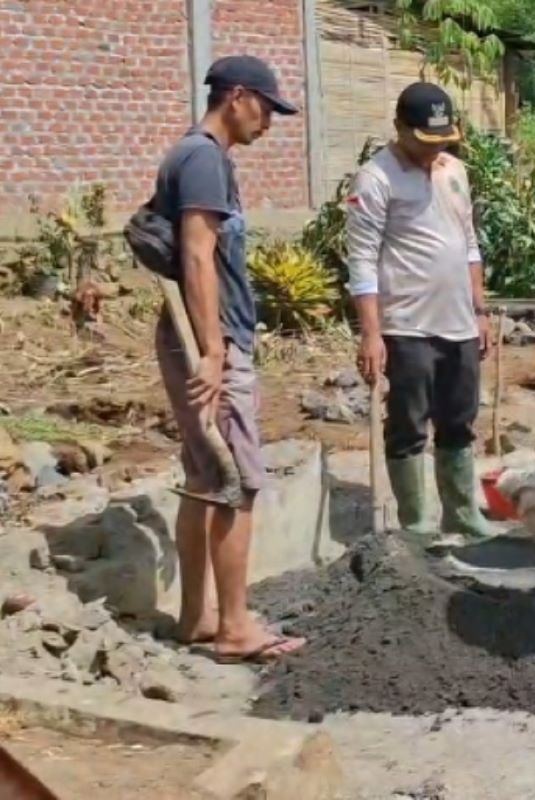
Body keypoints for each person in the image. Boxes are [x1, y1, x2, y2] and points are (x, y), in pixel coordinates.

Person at [152, 55, 305, 661]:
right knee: (236, 482)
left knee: (205, 478)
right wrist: (215, 351)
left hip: (192, 338)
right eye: (265, 108)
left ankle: (198, 616)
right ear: (237, 96)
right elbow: (197, 255)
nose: (267, 122)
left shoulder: (196, 157)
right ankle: (236, 627)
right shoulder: (204, 160)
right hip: (207, 343)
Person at [346, 82, 493, 540]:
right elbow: (362, 260)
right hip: (407, 325)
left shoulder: (454, 170)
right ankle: (417, 526)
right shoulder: (376, 178)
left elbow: (469, 242)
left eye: (442, 140)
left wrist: (480, 308)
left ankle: (461, 514)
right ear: (399, 128)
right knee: (409, 424)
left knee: (459, 420)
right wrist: (371, 334)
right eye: (426, 141)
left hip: (459, 322)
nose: (435, 150)